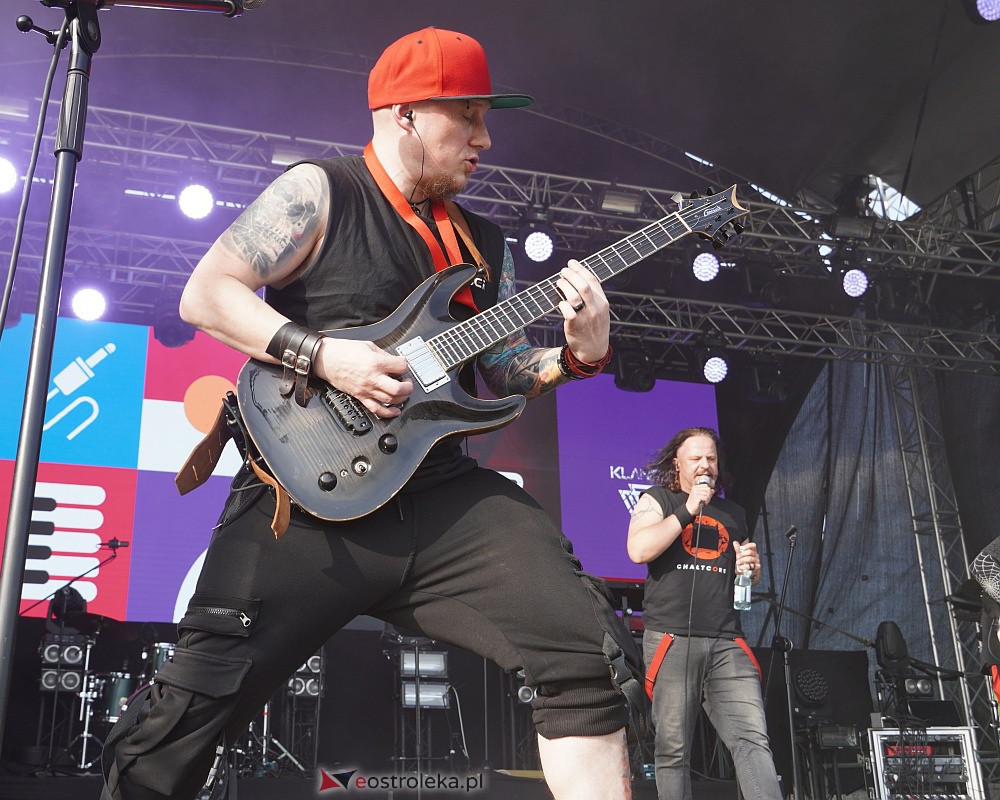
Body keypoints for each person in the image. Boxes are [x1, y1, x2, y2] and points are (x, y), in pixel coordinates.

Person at [101, 27, 638, 800]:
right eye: (468, 117)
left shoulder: (486, 243)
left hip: (440, 496)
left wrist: (578, 355)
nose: (485, 139)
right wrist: (326, 356)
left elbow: (503, 371)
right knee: (180, 720)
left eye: (486, 120)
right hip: (305, 497)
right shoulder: (319, 191)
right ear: (406, 112)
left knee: (589, 654)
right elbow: (206, 295)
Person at [625, 427, 783, 800]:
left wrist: (750, 570)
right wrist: (688, 509)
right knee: (673, 747)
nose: (704, 465)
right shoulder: (658, 500)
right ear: (677, 464)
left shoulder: (733, 513)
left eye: (710, 458)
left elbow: (743, 578)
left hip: (727, 639)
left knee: (752, 739)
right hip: (673, 637)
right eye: (695, 458)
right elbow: (639, 550)